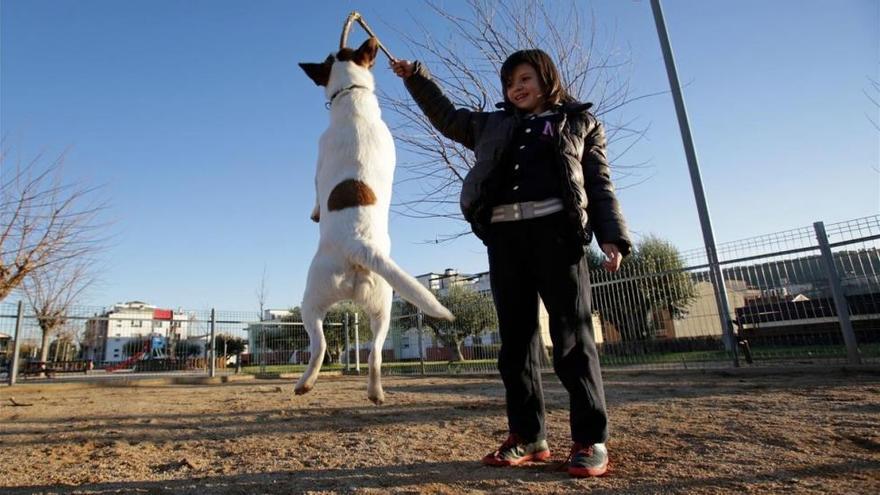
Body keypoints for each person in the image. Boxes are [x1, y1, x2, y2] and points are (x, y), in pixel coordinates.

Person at [392, 49, 631, 478]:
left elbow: (599, 183)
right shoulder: (491, 124)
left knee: (573, 339)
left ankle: (589, 439)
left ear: (546, 78)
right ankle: (527, 437)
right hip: (505, 240)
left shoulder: (581, 123)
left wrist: (611, 236)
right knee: (516, 344)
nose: (516, 88)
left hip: (558, 238)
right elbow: (446, 117)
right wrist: (416, 78)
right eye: (509, 83)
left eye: (524, 79)